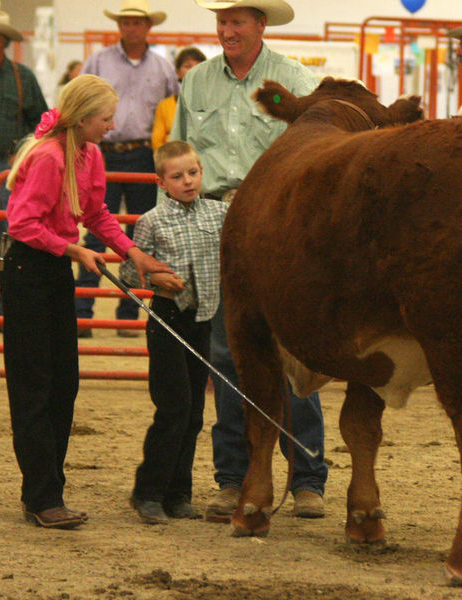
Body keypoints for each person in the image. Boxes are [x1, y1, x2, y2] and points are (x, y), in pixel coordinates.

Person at [170, 0, 328, 522]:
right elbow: (182, 155)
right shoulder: (195, 82)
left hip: (278, 222)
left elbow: (313, 155)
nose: (226, 29)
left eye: (237, 21)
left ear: (261, 25)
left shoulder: (294, 79)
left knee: (292, 350)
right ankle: (232, 478)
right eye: (222, 21)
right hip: (215, 220)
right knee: (226, 352)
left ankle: (307, 477)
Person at [0, 74, 172, 529]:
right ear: (81, 118)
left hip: (51, 269)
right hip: (28, 271)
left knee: (63, 383)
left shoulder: (87, 154)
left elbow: (95, 213)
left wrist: (132, 252)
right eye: (105, 117)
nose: (112, 125)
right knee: (35, 384)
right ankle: (42, 495)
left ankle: (43, 490)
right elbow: (21, 224)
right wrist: (74, 249)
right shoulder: (49, 158)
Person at [120, 141, 228, 524]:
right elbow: (129, 273)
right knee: (174, 407)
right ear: (161, 182)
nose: (187, 181)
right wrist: (156, 276)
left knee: (195, 412)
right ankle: (147, 493)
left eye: (193, 173)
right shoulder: (150, 221)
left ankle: (179, 493)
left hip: (203, 320)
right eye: (178, 176)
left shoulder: (219, 214)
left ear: (202, 172)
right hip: (167, 318)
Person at [75, 0, 178, 338]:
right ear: (120, 26)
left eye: (137, 22)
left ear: (148, 26)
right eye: (126, 22)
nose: (131, 28)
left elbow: (171, 108)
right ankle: (83, 310)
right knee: (95, 228)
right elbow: (78, 98)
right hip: (99, 151)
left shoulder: (163, 67)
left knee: (140, 231)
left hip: (144, 155)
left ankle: (129, 311)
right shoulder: (98, 61)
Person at [0, 9, 48, 326]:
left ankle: (5, 306)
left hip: (7, 171)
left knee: (10, 239)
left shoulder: (23, 77)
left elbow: (41, 125)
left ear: (0, 40)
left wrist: (23, 155)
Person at [151, 47, 207, 151]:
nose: (193, 70)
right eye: (187, 66)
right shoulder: (165, 105)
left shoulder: (213, 103)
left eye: (198, 66)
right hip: (171, 160)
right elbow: (157, 142)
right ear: (177, 72)